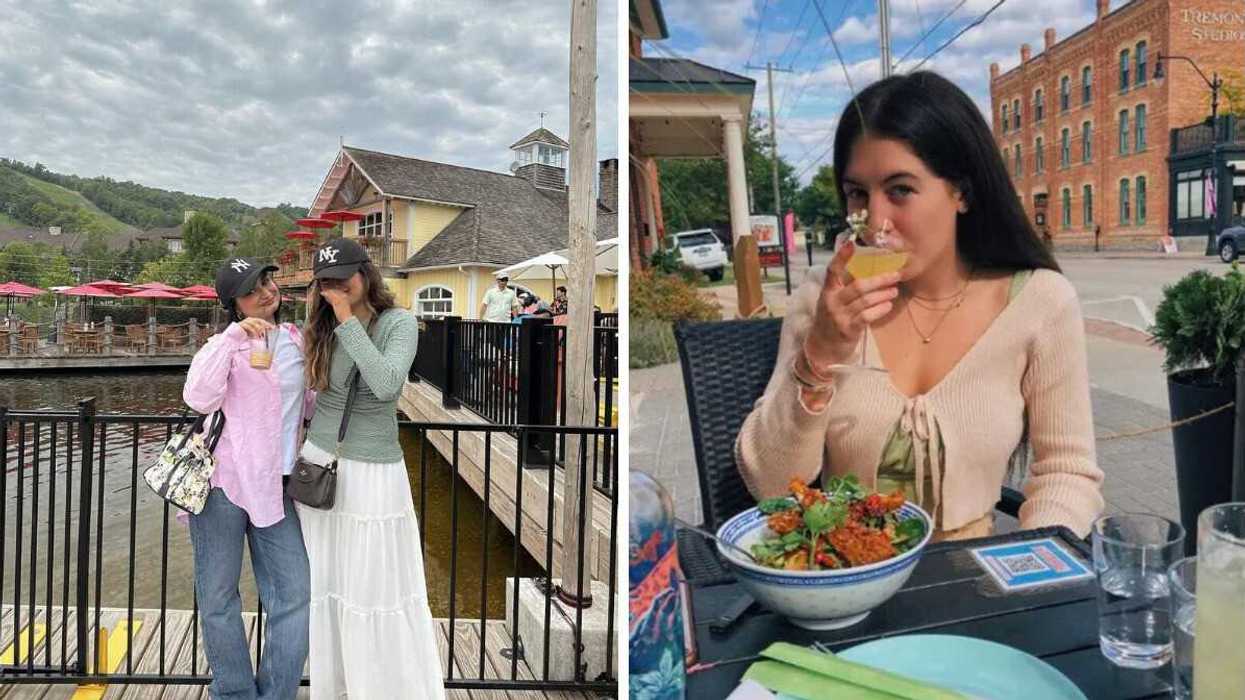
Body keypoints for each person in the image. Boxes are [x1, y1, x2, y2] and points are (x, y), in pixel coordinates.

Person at [736, 71, 1104, 542]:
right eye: (857, 194)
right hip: (841, 582)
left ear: (962, 193)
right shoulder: (825, 297)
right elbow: (768, 483)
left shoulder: (1040, 302)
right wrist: (819, 357)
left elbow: (1067, 472)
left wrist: (1032, 574)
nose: (876, 223)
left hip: (977, 581)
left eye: (900, 190)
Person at [297, 238, 444, 699]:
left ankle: (379, 686)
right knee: (325, 581)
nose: (335, 288)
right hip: (320, 463)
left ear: (366, 274)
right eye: (326, 282)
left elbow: (384, 386)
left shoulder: (398, 323)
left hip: (373, 471)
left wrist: (346, 321)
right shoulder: (319, 325)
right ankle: (335, 686)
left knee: (372, 585)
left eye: (344, 277)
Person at [182, 256, 313, 700]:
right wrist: (236, 335)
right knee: (218, 596)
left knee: (294, 594)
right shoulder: (225, 343)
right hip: (224, 484)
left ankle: (276, 694)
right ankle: (234, 693)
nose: (264, 292)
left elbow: (308, 406)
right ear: (234, 303)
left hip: (278, 485)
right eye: (251, 289)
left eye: (267, 282)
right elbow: (198, 396)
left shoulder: (296, 341)